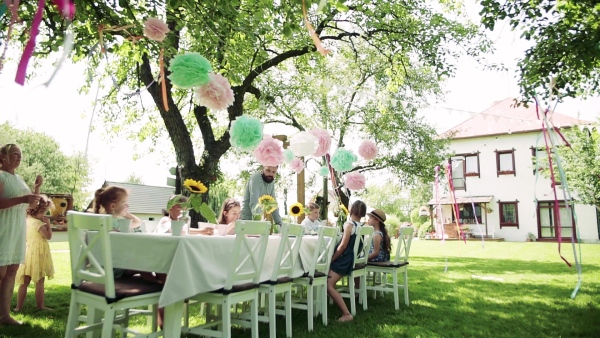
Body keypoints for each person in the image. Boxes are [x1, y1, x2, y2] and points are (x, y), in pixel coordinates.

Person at [0, 144, 42, 326]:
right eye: (15, 154)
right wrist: (23, 199)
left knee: (11, 271)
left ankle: (4, 316)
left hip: (17, 229)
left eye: (20, 155)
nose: (19, 157)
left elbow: (29, 206)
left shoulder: (19, 179)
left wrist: (36, 189)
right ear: (2, 156)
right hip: (3, 228)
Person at [327, 200, 367, 323]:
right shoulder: (364, 226)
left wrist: (332, 258)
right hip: (353, 259)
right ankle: (326, 304)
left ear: (351, 210)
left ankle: (346, 314)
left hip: (345, 260)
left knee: (328, 284)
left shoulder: (349, 225)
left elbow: (343, 246)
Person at [14, 195, 55, 311]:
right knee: (40, 280)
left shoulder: (27, 220)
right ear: (40, 210)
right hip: (39, 253)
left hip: (28, 252)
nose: (45, 214)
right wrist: (48, 225)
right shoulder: (38, 224)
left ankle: (18, 307)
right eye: (45, 211)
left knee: (24, 281)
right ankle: (41, 306)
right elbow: (48, 236)